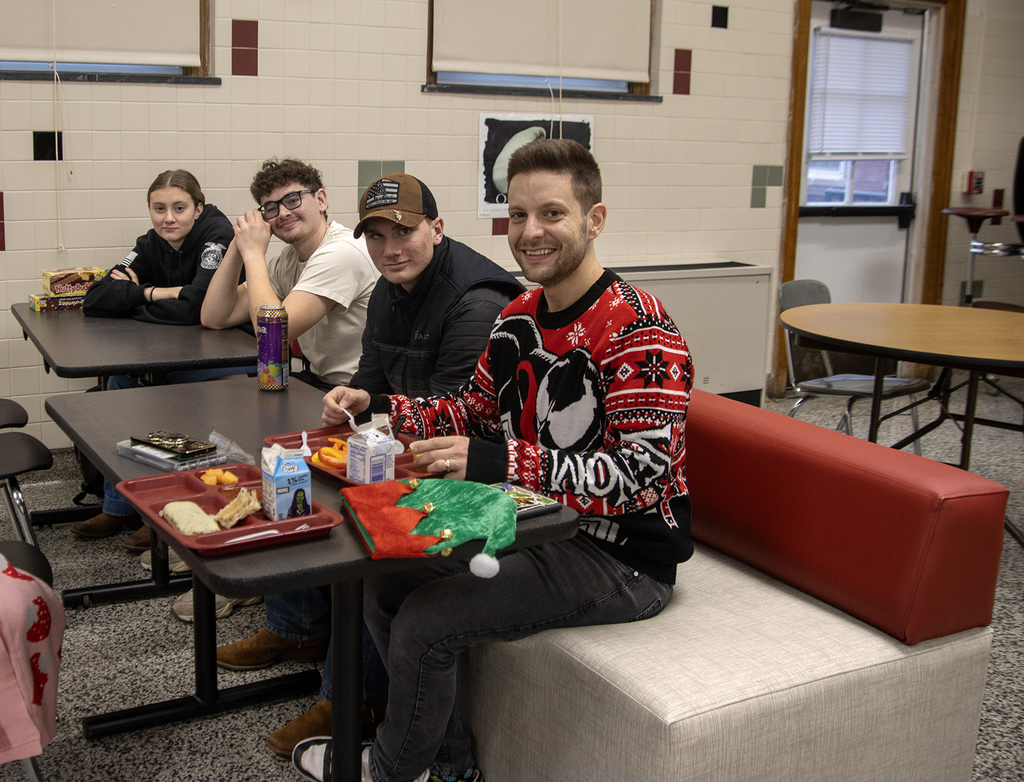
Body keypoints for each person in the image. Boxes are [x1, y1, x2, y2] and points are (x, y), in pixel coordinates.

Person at [293, 138, 694, 782]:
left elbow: (640, 480)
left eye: (552, 214)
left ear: (595, 220)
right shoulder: (518, 318)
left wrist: (496, 459)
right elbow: (470, 408)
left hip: (618, 555)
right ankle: (447, 764)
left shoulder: (640, 331)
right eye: (517, 215)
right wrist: (380, 411)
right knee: (383, 577)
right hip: (530, 519)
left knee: (427, 621)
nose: (530, 232)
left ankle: (393, 771)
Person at [216, 173, 525, 757]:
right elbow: (374, 383)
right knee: (293, 469)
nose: (390, 247)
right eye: (377, 235)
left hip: (484, 474)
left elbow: (460, 420)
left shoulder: (477, 301)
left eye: (404, 231)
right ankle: (298, 629)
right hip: (420, 447)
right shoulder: (388, 289)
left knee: (362, 531)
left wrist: (376, 413)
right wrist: (352, 398)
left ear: (437, 228)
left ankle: (353, 696)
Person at [73, 169, 234, 545]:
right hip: (169, 350)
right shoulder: (149, 243)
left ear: (198, 207)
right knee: (119, 383)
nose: (168, 218)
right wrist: (154, 294)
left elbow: (196, 307)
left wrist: (134, 296)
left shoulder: (216, 235)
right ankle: (119, 507)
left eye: (179, 208)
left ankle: (161, 509)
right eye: (158, 208)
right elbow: (95, 298)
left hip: (224, 356)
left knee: (159, 393)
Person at [201, 157, 378, 390]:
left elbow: (272, 334)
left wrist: (253, 254)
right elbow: (214, 317)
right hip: (319, 383)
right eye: (271, 208)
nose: (283, 213)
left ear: (321, 200)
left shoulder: (343, 251)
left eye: (293, 199)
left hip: (358, 394)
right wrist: (238, 243)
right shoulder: (288, 260)